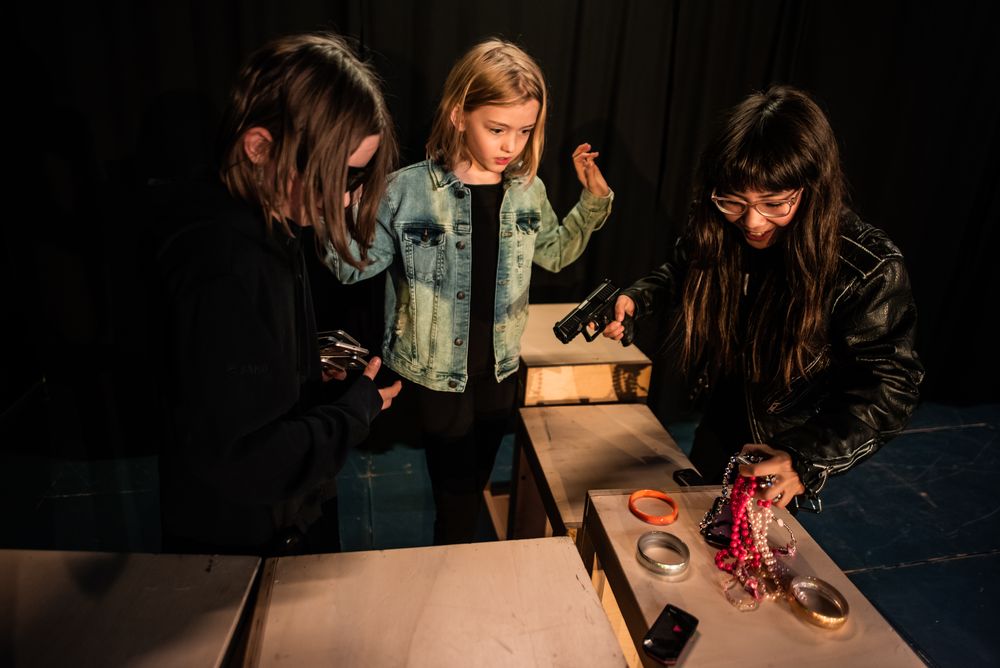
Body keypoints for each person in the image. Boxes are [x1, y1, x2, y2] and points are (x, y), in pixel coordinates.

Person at [327, 39, 613, 543]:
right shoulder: (405, 190)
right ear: (459, 115)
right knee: (455, 500)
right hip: (438, 374)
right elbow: (352, 270)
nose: (511, 145)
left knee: (473, 483)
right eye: (497, 129)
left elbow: (555, 253)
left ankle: (456, 557)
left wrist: (593, 202)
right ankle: (453, 566)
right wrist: (336, 208)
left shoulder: (527, 189)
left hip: (500, 368)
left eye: (525, 131)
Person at [603, 85, 923, 511]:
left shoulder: (868, 267)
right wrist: (639, 299)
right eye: (735, 202)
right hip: (724, 405)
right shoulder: (720, 219)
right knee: (700, 516)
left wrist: (804, 456)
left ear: (812, 189)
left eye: (774, 203)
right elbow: (685, 269)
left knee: (749, 538)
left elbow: (889, 386)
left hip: (787, 435)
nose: (752, 222)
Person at [154, 33, 402, 556]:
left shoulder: (270, 221)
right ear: (261, 148)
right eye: (338, 174)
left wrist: (300, 363)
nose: (345, 198)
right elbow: (245, 460)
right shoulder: (219, 261)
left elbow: (236, 375)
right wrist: (356, 410)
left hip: (284, 520)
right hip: (242, 550)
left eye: (356, 176)